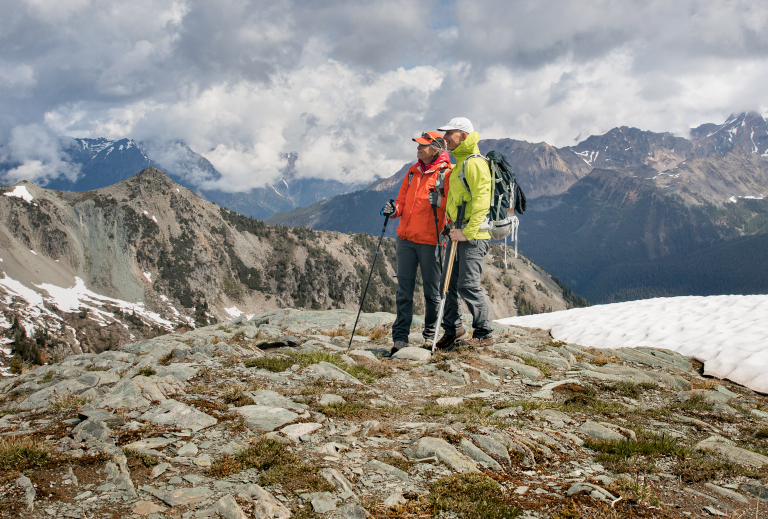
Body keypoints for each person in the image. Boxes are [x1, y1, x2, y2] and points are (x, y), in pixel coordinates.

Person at [381, 131, 452, 355]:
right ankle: (400, 338)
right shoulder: (412, 172)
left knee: (432, 292)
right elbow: (402, 202)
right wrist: (394, 210)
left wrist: (439, 203)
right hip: (406, 239)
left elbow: (452, 206)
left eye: (423, 146)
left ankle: (430, 334)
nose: (418, 149)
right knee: (404, 292)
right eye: (418, 146)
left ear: (436, 149)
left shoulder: (447, 174)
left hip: (431, 241)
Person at [434, 117, 494, 351]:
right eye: (445, 133)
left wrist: (467, 232)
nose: (446, 137)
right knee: (446, 285)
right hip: (457, 231)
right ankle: (454, 330)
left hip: (473, 235)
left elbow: (482, 200)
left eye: (451, 133)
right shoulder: (459, 162)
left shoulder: (474, 163)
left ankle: (485, 333)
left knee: (468, 285)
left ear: (464, 136)